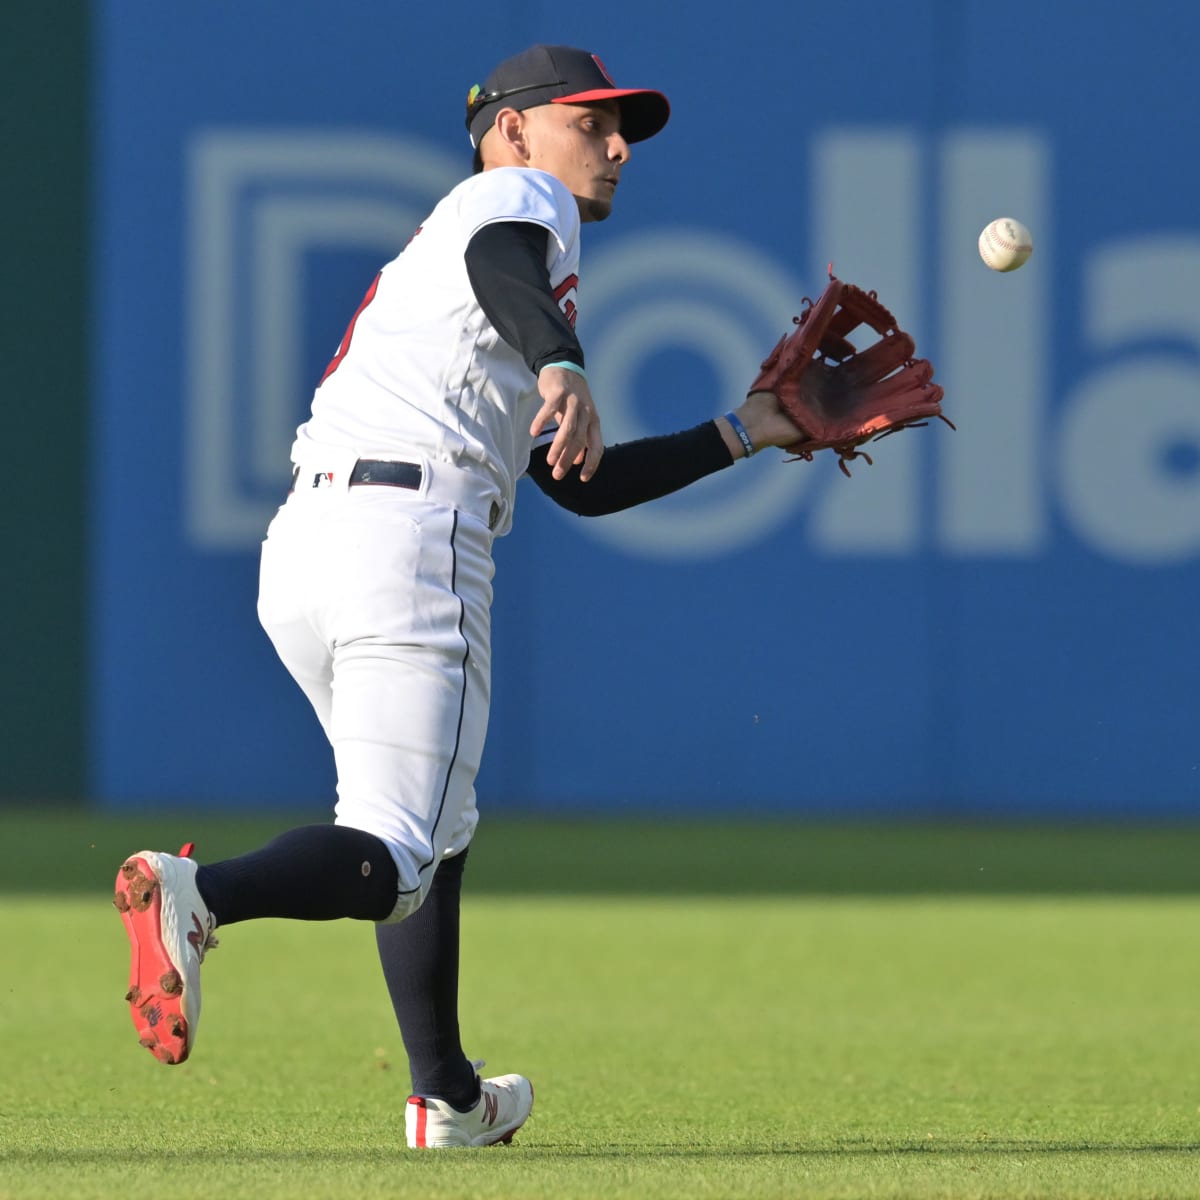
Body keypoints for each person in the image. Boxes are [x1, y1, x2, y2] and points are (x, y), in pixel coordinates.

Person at [113, 43, 808, 1149]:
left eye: (622, 127)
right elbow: (507, 258)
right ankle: (199, 895)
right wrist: (565, 364)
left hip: (310, 545)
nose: (619, 145)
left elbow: (581, 485)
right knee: (395, 853)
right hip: (410, 535)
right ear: (514, 128)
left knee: (431, 831)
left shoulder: (463, 277)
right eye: (594, 122)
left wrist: (745, 431)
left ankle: (447, 1096)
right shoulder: (509, 203)